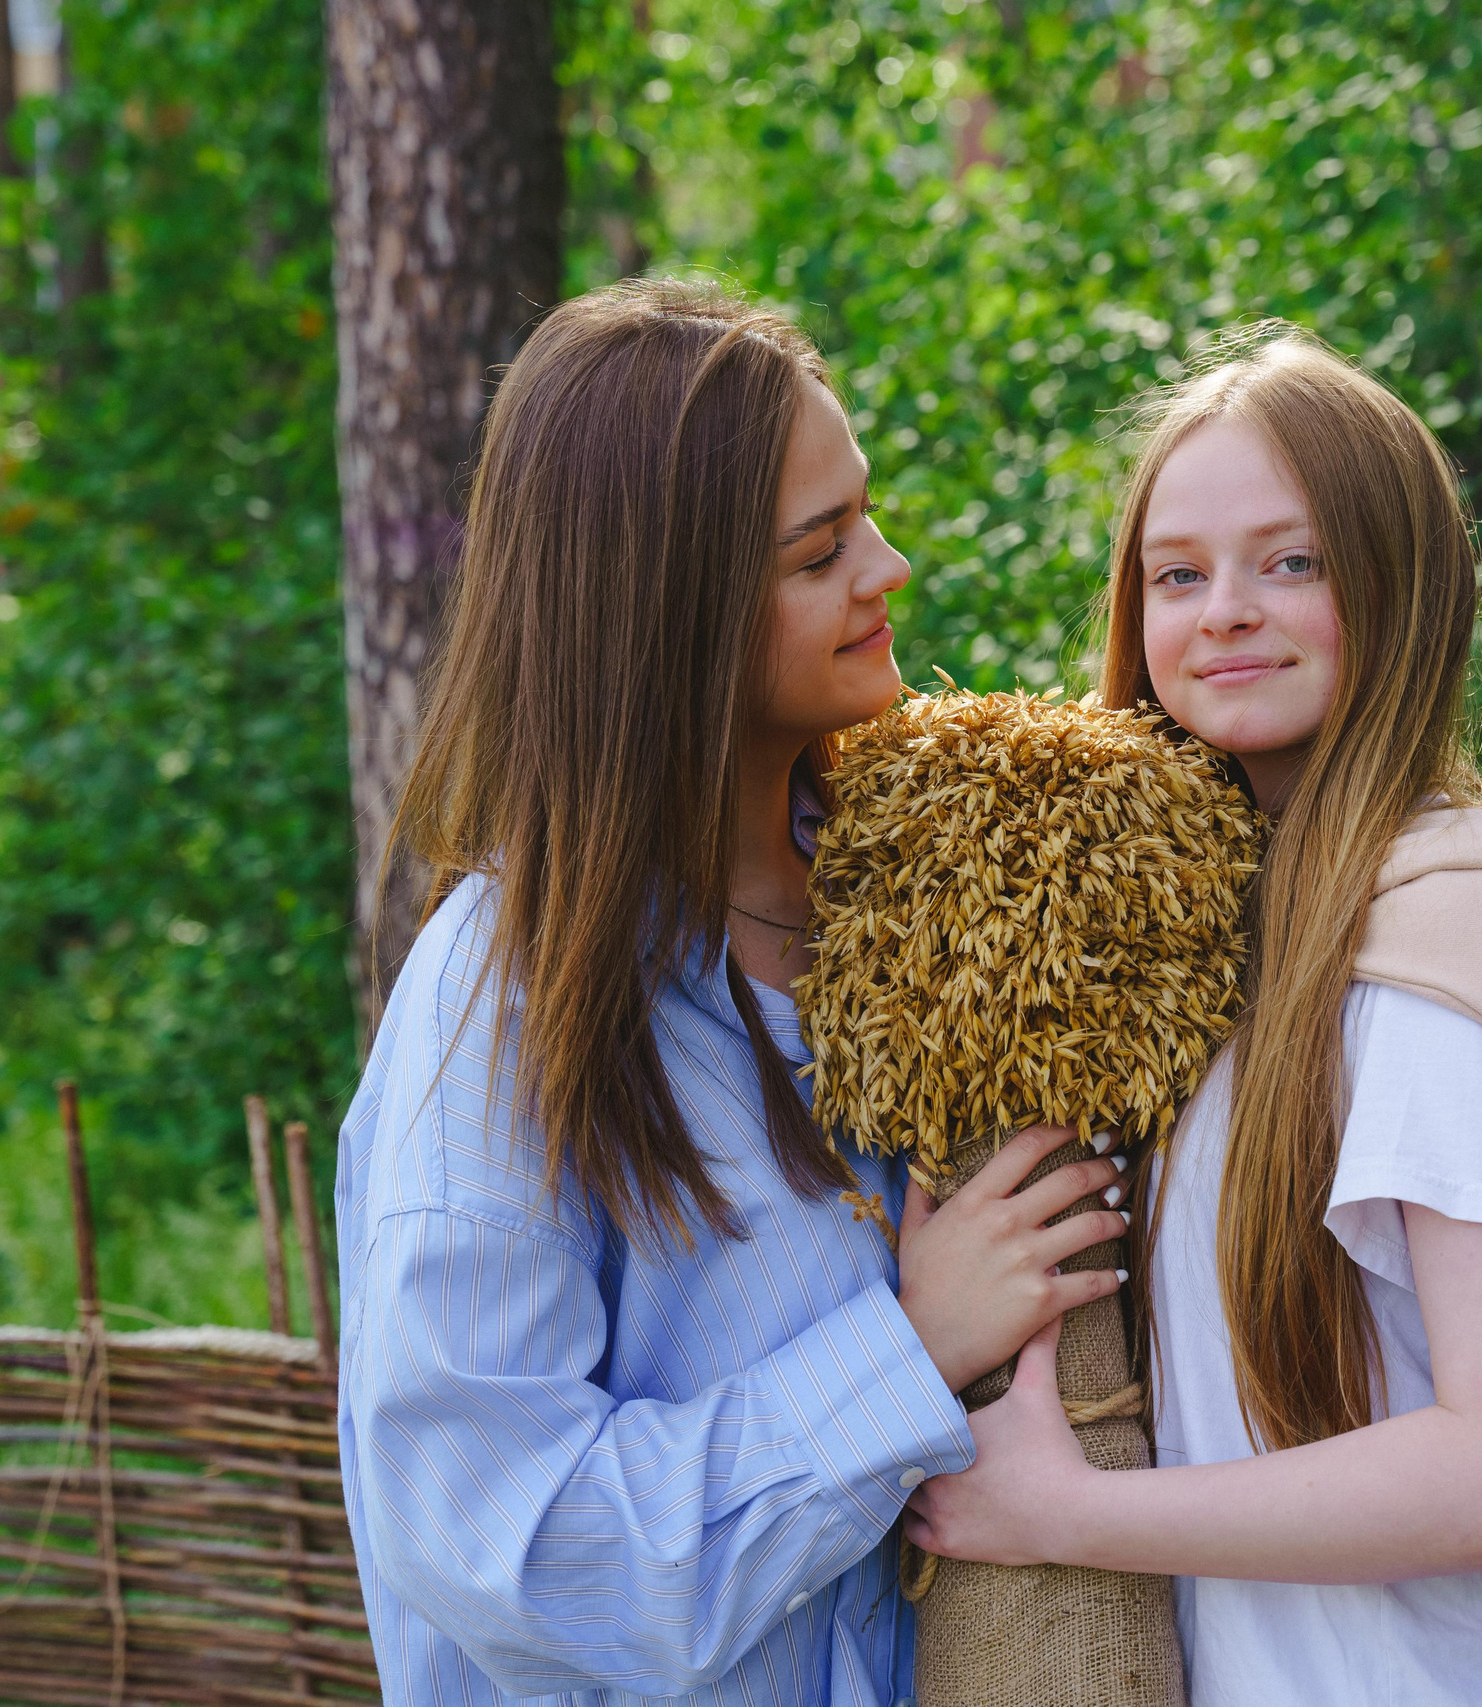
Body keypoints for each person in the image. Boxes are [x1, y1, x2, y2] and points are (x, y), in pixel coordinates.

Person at [902, 327, 1482, 1706]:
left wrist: (1070, 1515)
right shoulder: (1211, 954)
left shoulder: (1443, 928)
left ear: (1401, 586)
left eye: (1294, 561)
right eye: (1180, 574)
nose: (1225, 609)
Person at [334, 280, 1132, 1706]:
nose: (888, 567)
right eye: (821, 551)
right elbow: (510, 1545)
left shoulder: (906, 893)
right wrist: (906, 1354)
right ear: (669, 616)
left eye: (865, 515)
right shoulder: (504, 1003)